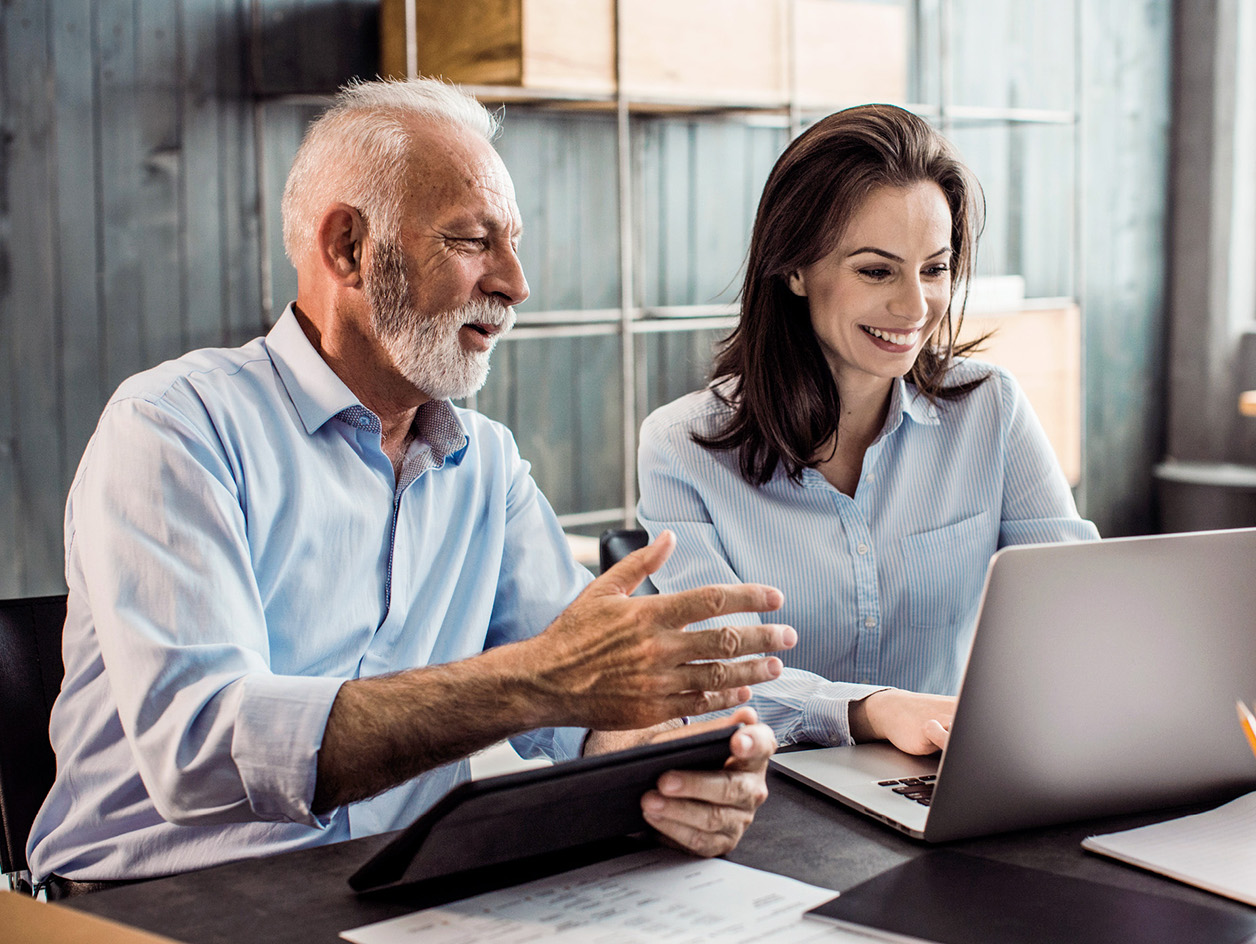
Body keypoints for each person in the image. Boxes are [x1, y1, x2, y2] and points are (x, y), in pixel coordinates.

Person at [26, 78, 796, 894]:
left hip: (392, 893)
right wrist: (537, 680)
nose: (516, 283)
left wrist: (678, 770)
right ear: (348, 248)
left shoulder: (488, 466)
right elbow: (201, 750)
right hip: (147, 906)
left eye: (515, 242)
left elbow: (583, 715)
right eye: (471, 241)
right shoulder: (174, 426)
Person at [637, 104, 1099, 756]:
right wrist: (872, 709)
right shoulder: (681, 447)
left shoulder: (991, 410)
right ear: (795, 270)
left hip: (951, 775)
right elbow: (722, 677)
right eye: (877, 270)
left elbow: (1079, 608)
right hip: (777, 790)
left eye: (934, 269)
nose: (915, 307)